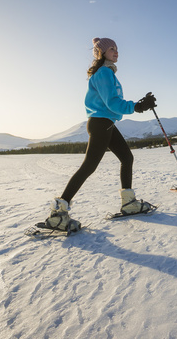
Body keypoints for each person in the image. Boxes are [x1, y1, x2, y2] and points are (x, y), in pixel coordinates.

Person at [45, 37, 157, 232]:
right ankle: (58, 214)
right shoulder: (104, 73)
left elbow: (112, 103)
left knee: (126, 157)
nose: (116, 52)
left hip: (106, 123)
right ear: (101, 52)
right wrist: (137, 106)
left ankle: (128, 203)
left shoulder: (107, 72)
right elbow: (112, 103)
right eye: (112, 49)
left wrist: (138, 104)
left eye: (117, 49)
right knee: (89, 166)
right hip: (100, 123)